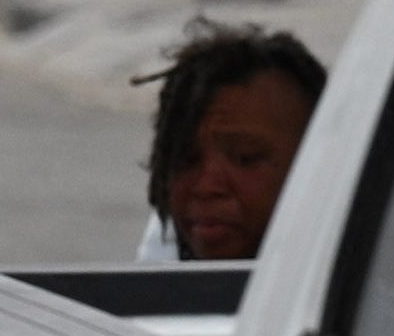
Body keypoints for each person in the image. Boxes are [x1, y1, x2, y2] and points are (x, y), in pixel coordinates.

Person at [138, 19, 326, 261]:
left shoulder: (371, 281)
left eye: (245, 158)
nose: (206, 187)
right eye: (186, 160)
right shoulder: (158, 271)